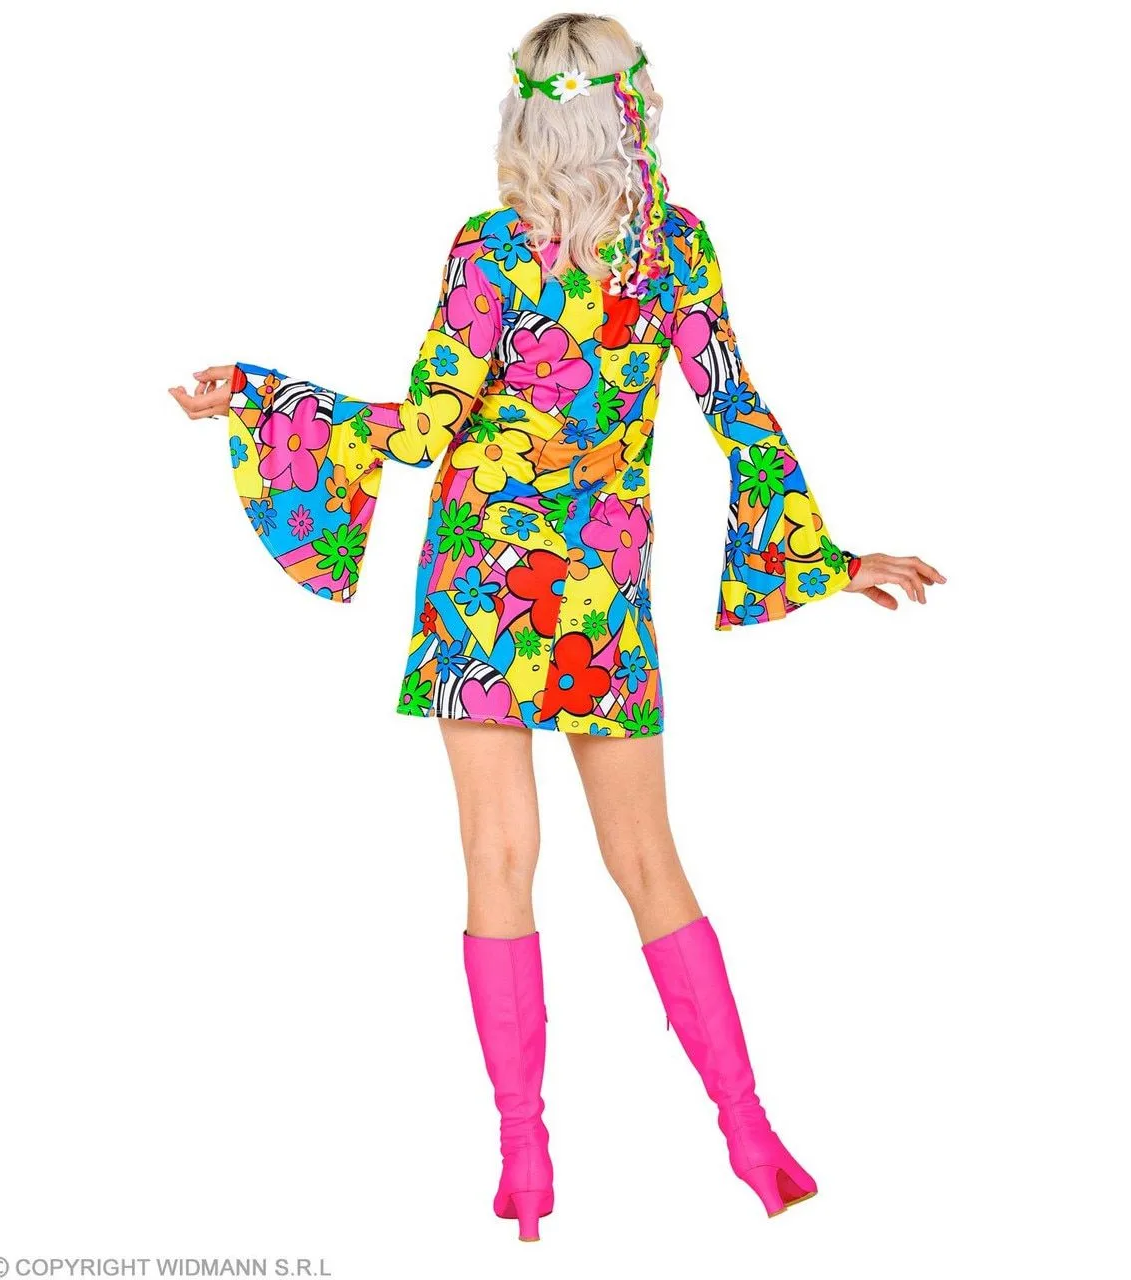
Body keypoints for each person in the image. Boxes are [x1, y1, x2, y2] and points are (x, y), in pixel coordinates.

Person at [170, 12, 943, 1243]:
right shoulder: (675, 248)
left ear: (525, 120)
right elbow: (736, 411)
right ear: (628, 110)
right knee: (648, 860)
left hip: (478, 586)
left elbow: (421, 432)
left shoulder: (488, 252)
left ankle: (523, 1162)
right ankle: (750, 1135)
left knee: (496, 857)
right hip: (596, 595)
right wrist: (826, 558)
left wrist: (259, 399)